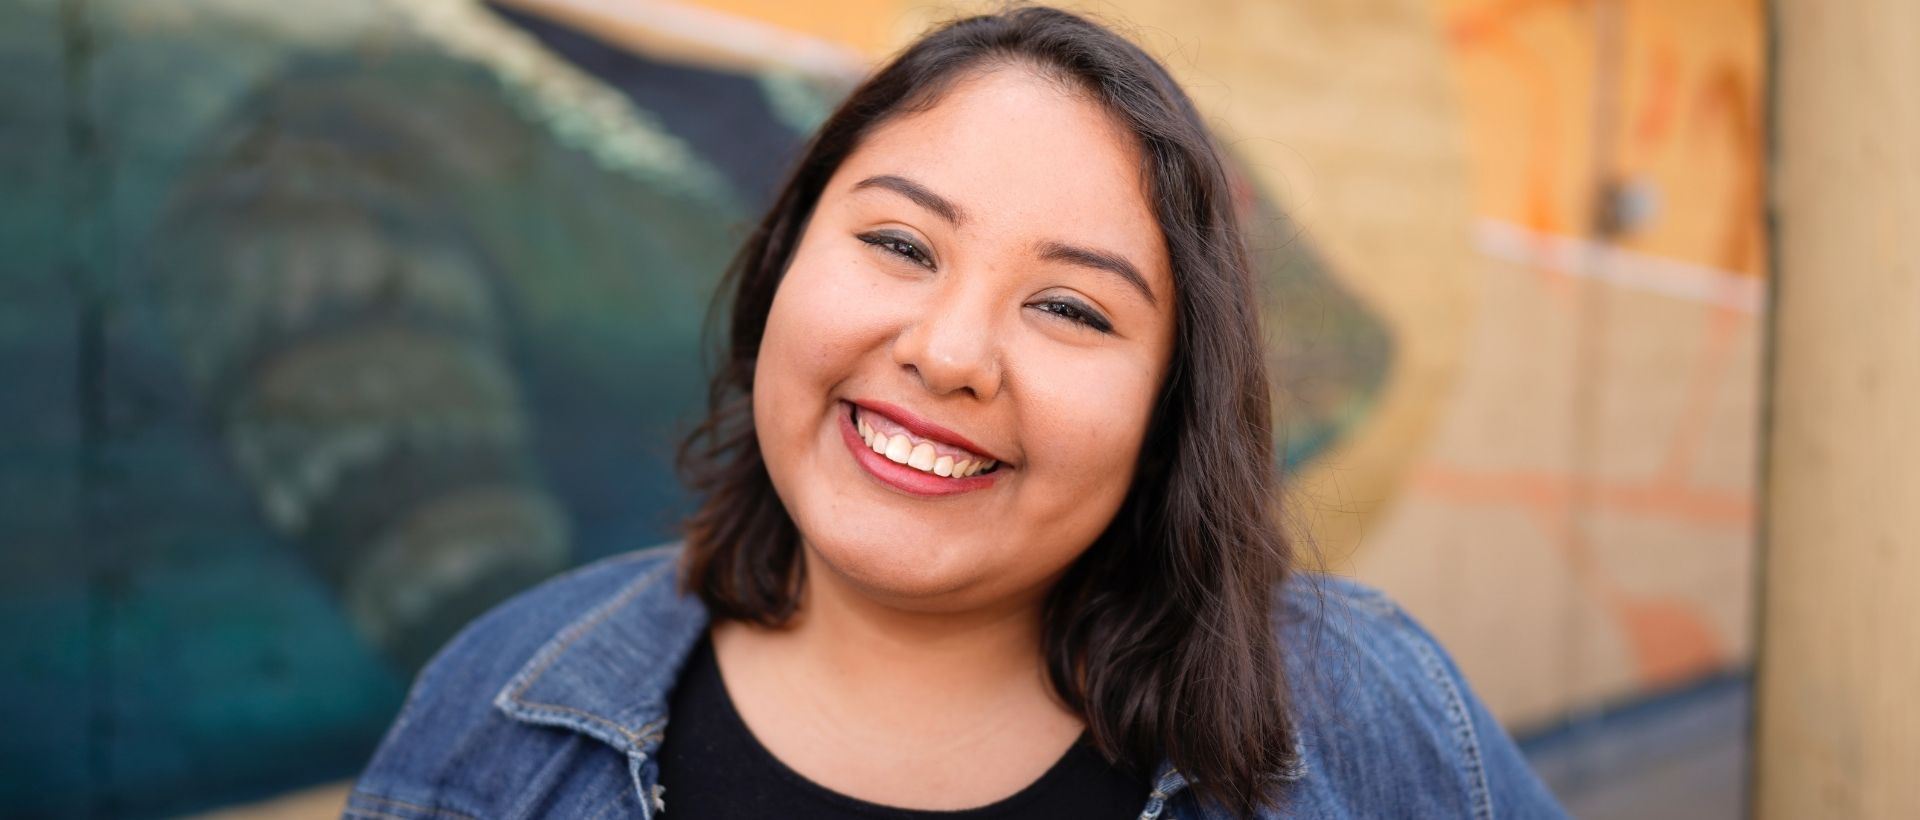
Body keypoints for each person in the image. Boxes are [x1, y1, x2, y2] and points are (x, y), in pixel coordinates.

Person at [348, 6, 1567, 818]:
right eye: (897, 242)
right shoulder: (501, 722)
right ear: (780, 267)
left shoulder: (1371, 716)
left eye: (1073, 310)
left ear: (1170, 408)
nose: (948, 353)